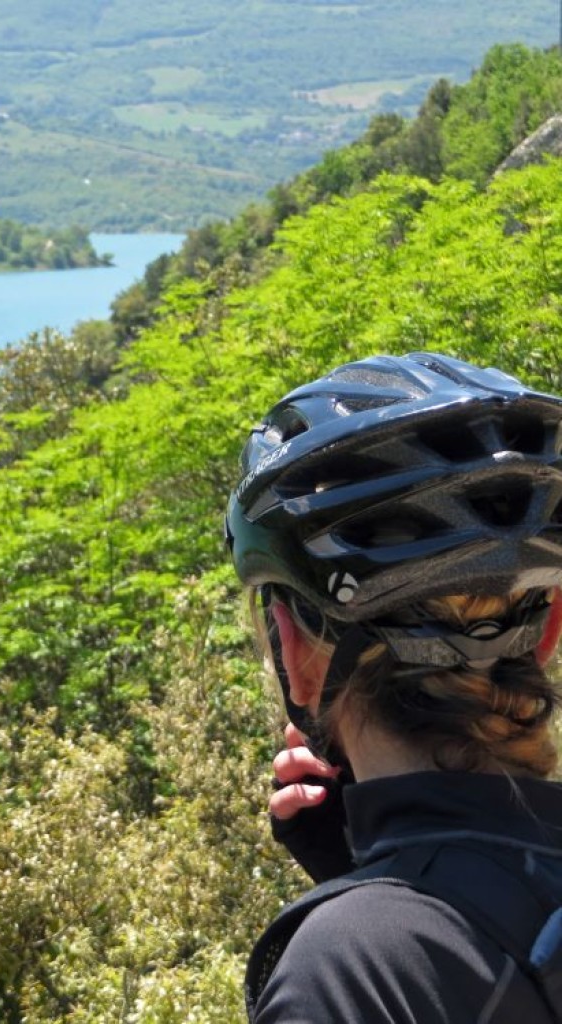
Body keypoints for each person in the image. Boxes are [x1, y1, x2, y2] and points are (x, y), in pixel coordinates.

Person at [225, 351, 562, 1023]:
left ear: (298, 655)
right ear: (549, 632)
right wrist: (379, 876)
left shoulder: (348, 975)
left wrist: (377, 910)